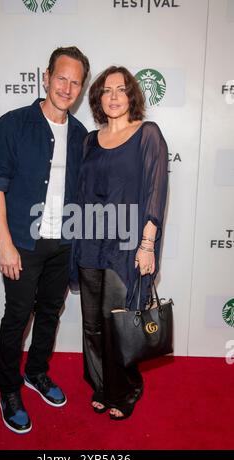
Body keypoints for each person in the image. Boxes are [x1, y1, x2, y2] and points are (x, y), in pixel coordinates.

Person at [0, 46, 90, 434]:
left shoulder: (80, 136)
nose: (67, 87)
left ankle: (37, 372)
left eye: (75, 81)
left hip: (62, 244)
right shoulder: (12, 125)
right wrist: (6, 244)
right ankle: (8, 389)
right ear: (45, 77)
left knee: (49, 313)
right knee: (17, 317)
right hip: (22, 245)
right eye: (61, 77)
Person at [74, 66, 168, 420]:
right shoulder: (88, 140)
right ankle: (100, 384)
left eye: (121, 89)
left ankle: (125, 388)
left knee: (119, 323)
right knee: (91, 323)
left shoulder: (147, 134)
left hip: (126, 244)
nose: (113, 96)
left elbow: (156, 191)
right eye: (106, 90)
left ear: (132, 96)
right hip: (88, 242)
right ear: (98, 97)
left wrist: (148, 243)